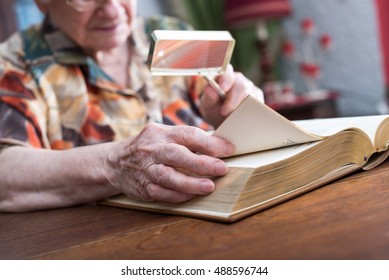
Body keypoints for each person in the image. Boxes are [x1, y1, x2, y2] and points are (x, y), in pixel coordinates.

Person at [0, 0, 263, 212]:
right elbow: (5, 173)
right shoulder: (15, 63)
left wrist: (233, 113)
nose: (113, 10)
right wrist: (113, 165)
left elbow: (226, 104)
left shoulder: (172, 33)